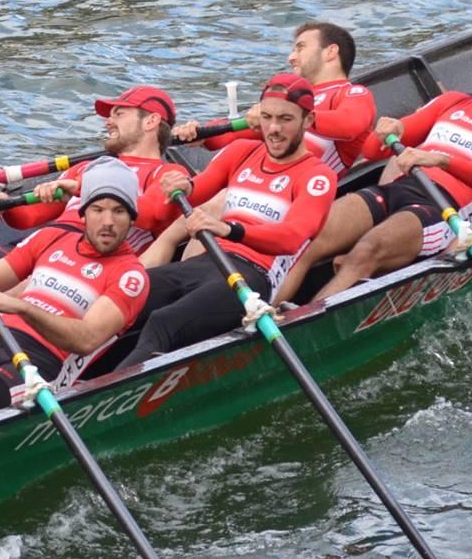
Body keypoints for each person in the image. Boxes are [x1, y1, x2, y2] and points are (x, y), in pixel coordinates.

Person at [0, 164, 154, 437]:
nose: (107, 221)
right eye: (97, 209)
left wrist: (22, 307)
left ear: (132, 218)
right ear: (83, 214)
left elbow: (86, 339)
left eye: (119, 211)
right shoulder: (52, 237)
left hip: (39, 365)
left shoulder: (131, 275)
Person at [311, 31, 472, 301]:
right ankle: (265, 311)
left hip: (443, 211)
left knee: (365, 252)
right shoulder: (452, 102)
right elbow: (373, 151)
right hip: (400, 189)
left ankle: (300, 329)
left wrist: (442, 160)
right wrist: (389, 130)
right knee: (313, 231)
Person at [125, 78, 337, 363]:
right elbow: (197, 189)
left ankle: (99, 403)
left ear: (308, 120)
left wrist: (228, 229)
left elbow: (291, 238)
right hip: (207, 262)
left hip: (253, 278)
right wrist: (182, 184)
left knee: (164, 322)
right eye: (267, 117)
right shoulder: (242, 152)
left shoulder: (317, 176)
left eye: (285, 119)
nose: (273, 129)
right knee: (122, 297)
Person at [0, 85, 182, 252]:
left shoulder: (167, 174)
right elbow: (29, 218)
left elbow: (153, 215)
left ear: (151, 121)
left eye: (119, 114)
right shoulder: (86, 168)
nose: (108, 122)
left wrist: (84, 188)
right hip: (47, 245)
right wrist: (3, 204)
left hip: (94, 262)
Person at [173, 23, 375, 177]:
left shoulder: (353, 93)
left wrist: (284, 114)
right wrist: (201, 134)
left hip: (295, 190)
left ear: (331, 52)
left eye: (300, 48)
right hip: (256, 180)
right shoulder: (290, 105)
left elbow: (349, 125)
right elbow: (229, 136)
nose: (291, 57)